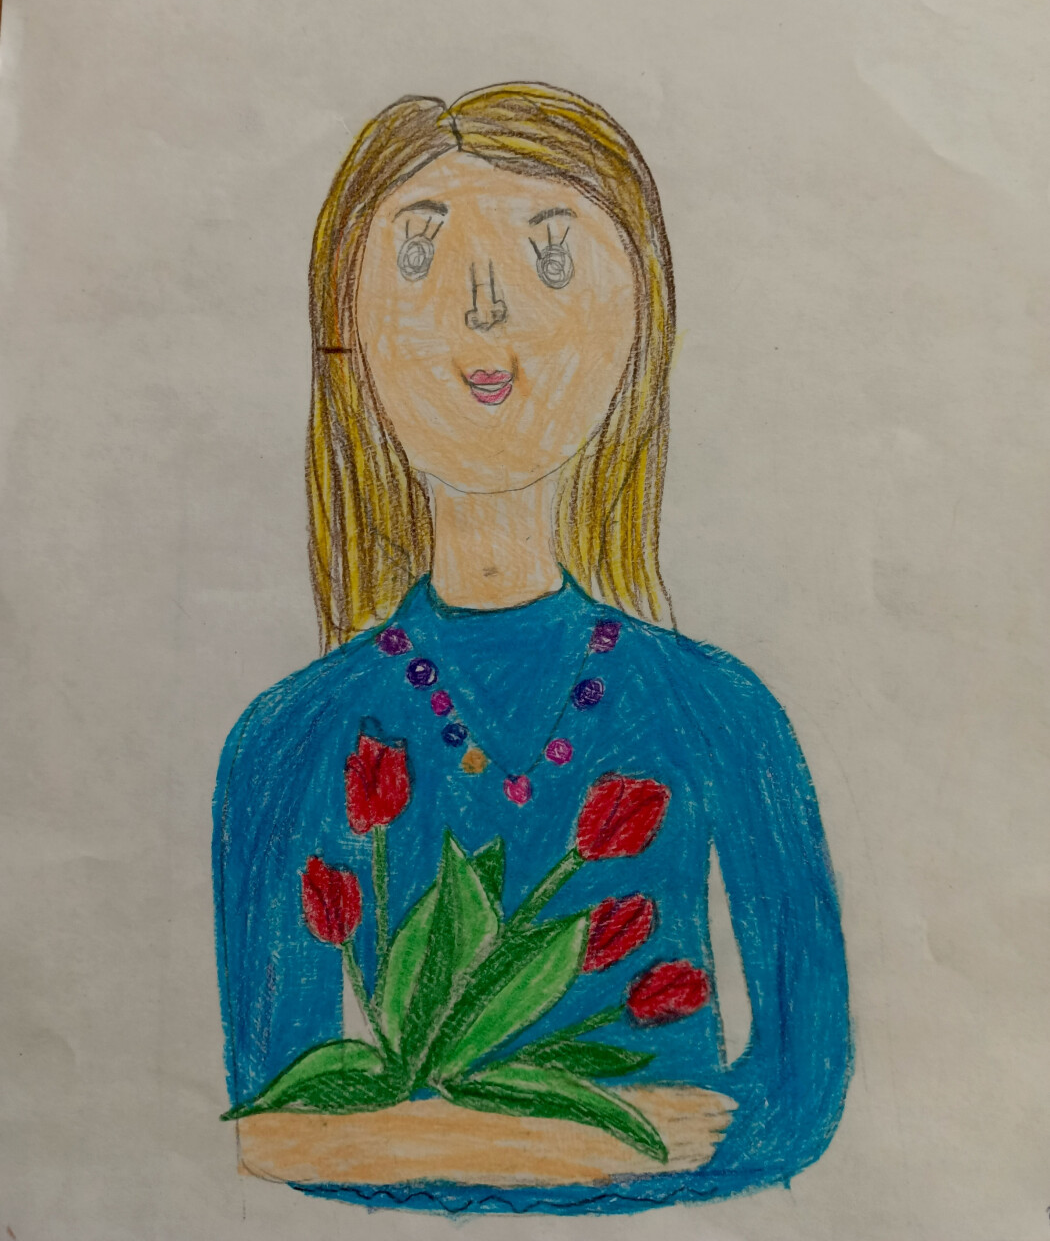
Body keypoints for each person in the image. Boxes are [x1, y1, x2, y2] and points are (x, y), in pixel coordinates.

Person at [213, 82, 852, 1214]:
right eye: (418, 258)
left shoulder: (719, 712)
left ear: (639, 321)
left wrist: (417, 1135)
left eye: (551, 257)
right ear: (346, 333)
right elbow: (272, 1123)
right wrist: (620, 1131)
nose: (484, 308)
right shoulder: (289, 740)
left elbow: (797, 1095)